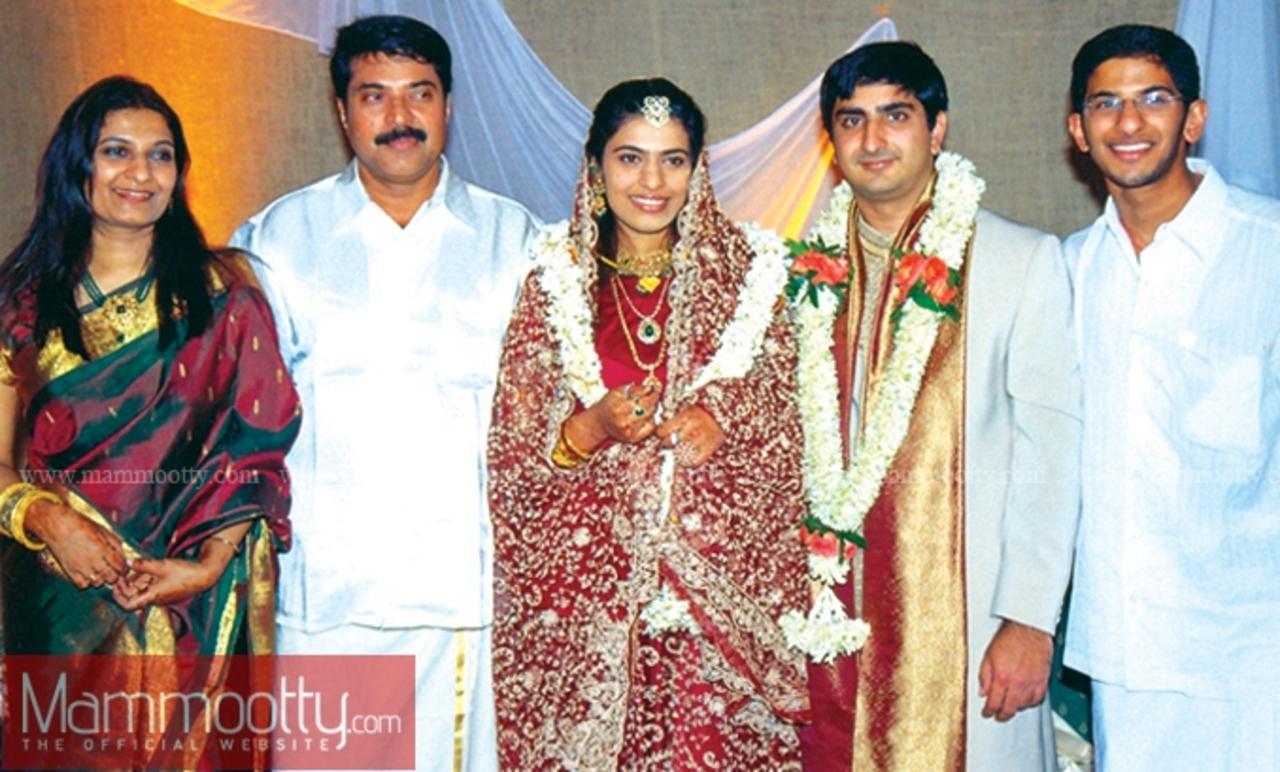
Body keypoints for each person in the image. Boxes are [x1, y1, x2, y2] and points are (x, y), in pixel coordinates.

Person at [230, 15, 538, 770]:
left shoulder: (520, 242)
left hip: (462, 593)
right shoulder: (276, 241)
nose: (399, 119)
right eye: (375, 97)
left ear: (448, 106)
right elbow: (233, 415)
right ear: (343, 112)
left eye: (419, 95)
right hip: (330, 594)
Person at [487, 78, 809, 769]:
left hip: (713, 615)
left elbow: (789, 429)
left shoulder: (751, 278)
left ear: (699, 169)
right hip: (588, 611)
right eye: (630, 158)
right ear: (596, 170)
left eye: (674, 159)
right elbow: (516, 460)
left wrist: (725, 417)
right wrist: (592, 428)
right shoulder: (555, 283)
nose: (652, 181)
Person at [787, 42, 1081, 769]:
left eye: (896, 115)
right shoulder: (800, 279)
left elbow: (1055, 458)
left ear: (938, 129)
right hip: (829, 617)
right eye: (850, 120)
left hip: (969, 618)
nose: (873, 139)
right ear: (831, 140)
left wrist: (1028, 621)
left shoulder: (1020, 259)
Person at [0, 75, 299, 769]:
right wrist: (50, 522)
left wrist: (205, 566)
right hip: (56, 603)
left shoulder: (227, 301)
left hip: (191, 611)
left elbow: (253, 456)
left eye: (161, 156)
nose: (140, 172)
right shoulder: (18, 305)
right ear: (78, 167)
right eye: (117, 151)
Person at [1064, 24, 1280, 771]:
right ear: (1077, 129)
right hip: (1127, 654)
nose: (1128, 124)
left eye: (1153, 99)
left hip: (1256, 651)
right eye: (1105, 104)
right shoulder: (1069, 273)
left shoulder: (1268, 250)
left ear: (1194, 118)